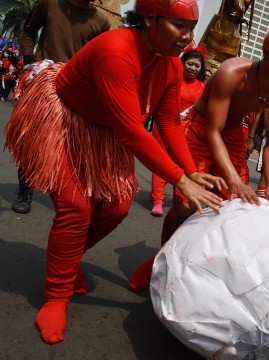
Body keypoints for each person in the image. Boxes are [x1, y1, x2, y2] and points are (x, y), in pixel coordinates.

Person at [3, 0, 226, 345]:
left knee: (119, 206)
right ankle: (56, 296)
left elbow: (166, 122)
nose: (187, 36)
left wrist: (190, 172)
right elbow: (132, 132)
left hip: (106, 132)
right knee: (76, 208)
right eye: (179, 25)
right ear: (151, 18)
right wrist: (180, 180)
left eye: (191, 28)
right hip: (65, 120)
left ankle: (68, 258)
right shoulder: (116, 49)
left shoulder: (169, 66)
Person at [128, 22, 269, 291]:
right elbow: (213, 131)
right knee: (189, 207)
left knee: (229, 211)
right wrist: (235, 179)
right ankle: (160, 260)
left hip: (234, 136)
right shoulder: (233, 72)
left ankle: (194, 271)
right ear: (266, 51)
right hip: (202, 130)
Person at [10, 0, 111, 214]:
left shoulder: (101, 22)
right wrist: (29, 61)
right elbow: (28, 31)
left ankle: (64, 195)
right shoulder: (50, 3)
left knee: (68, 143)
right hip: (41, 80)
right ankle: (24, 191)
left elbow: (97, 58)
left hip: (75, 88)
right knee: (31, 138)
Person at [149, 44, 208, 216]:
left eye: (197, 66)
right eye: (190, 64)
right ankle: (158, 200)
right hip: (164, 126)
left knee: (180, 164)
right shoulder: (172, 78)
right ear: (182, 63)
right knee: (162, 161)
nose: (193, 68)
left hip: (187, 131)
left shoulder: (202, 87)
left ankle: (178, 197)